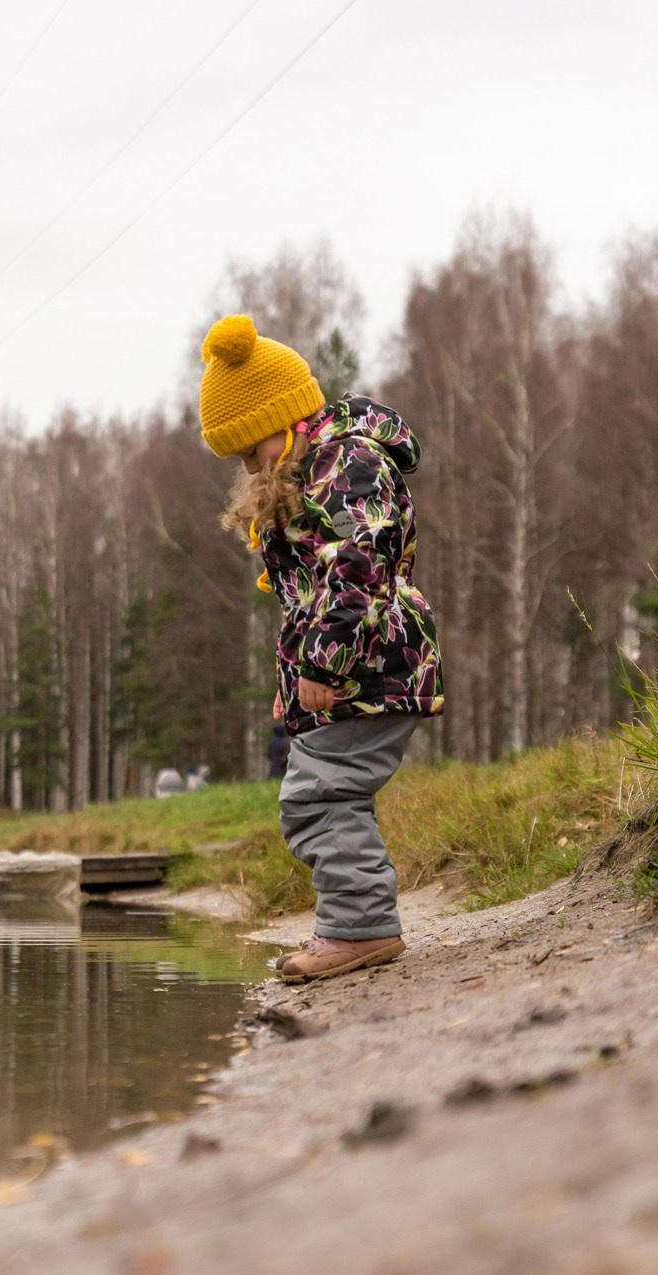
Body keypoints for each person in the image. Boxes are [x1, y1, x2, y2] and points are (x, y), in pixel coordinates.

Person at [200, 314, 442, 983]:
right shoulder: (316, 468)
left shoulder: (350, 465)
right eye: (241, 459)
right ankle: (351, 920)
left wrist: (319, 663)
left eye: (254, 451)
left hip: (377, 659)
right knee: (322, 789)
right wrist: (292, 672)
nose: (251, 468)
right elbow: (310, 591)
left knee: (320, 793)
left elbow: (359, 569)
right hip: (360, 661)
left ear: (287, 418)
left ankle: (359, 928)